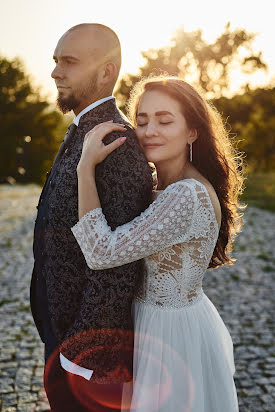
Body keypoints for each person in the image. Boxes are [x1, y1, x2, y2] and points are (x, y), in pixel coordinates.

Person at [71, 76, 244, 411]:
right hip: (148, 325)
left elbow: (100, 251)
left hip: (169, 336)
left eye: (165, 121)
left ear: (192, 132)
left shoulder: (186, 195)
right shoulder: (158, 185)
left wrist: (84, 169)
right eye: (142, 120)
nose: (150, 131)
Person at [30, 23, 153, 412]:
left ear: (106, 71)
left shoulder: (117, 143)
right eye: (55, 61)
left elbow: (119, 264)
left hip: (85, 361)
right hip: (59, 335)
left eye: (69, 62)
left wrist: (80, 356)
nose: (55, 72)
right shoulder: (84, 129)